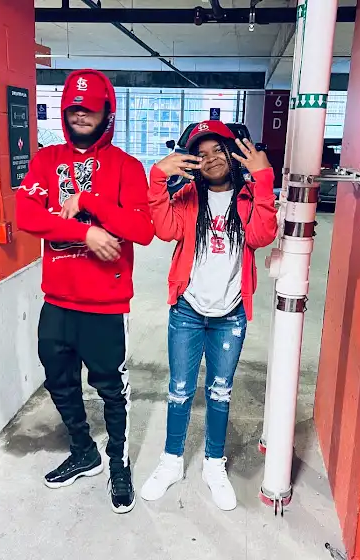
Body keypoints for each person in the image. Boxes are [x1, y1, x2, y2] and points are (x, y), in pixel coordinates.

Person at [16, 69, 154, 514]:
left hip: (105, 305)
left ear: (106, 112)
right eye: (74, 108)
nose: (80, 115)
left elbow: (142, 230)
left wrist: (91, 202)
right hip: (57, 300)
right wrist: (86, 233)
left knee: (112, 390)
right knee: (58, 380)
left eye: (89, 108)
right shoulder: (46, 160)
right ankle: (83, 451)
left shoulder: (127, 167)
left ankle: (118, 464)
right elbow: (26, 214)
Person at [142, 121, 277, 511]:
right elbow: (164, 229)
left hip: (230, 315)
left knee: (220, 391)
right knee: (179, 390)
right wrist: (157, 178)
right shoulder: (187, 197)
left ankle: (214, 464)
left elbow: (262, 236)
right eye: (201, 154)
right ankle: (171, 461)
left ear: (232, 154)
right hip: (188, 310)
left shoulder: (248, 197)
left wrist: (264, 179)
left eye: (218, 149)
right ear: (192, 162)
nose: (211, 158)